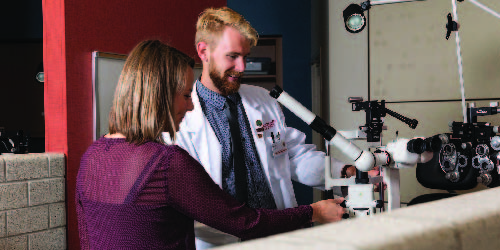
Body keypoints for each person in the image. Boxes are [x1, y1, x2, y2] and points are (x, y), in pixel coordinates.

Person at [75, 40, 347, 250]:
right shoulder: (166, 164)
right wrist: (312, 212)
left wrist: (343, 172)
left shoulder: (92, 155)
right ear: (158, 97)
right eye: (184, 95)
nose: (191, 104)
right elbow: (245, 222)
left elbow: (88, 238)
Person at [162, 7, 375, 249]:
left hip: (279, 235)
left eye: (245, 57)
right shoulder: (179, 119)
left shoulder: (263, 100)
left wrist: (347, 171)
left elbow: (295, 157)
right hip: (220, 242)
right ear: (204, 51)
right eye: (232, 56)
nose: (242, 67)